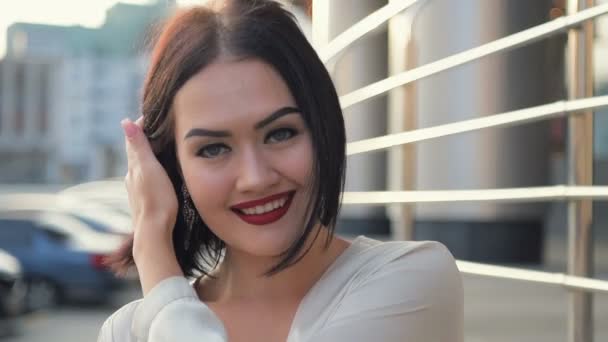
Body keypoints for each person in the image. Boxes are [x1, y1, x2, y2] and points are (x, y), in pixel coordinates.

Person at [98, 0, 464, 341]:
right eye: (213, 148)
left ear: (322, 130)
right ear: (170, 169)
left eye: (280, 133)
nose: (256, 177)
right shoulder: (127, 332)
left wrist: (158, 271)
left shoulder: (412, 281)